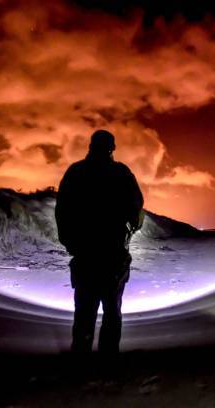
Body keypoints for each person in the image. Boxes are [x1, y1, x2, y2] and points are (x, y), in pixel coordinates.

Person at [55, 129, 144, 358]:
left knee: (85, 312)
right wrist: (128, 231)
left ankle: (82, 361)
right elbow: (137, 210)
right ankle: (107, 362)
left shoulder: (76, 172)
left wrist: (70, 243)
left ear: (91, 146)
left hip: (86, 255)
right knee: (112, 312)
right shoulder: (121, 173)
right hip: (112, 254)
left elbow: (62, 211)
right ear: (112, 148)